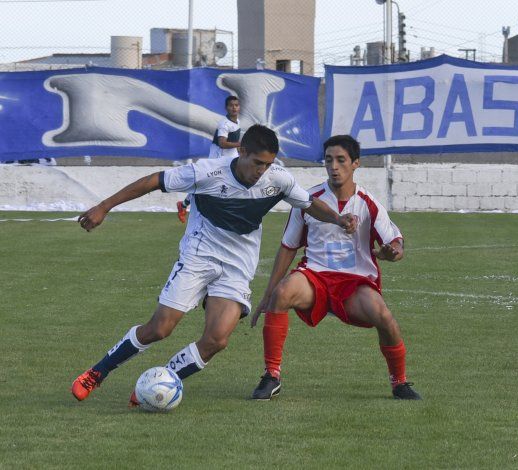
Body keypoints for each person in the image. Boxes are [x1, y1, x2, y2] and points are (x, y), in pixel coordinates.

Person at [71, 125, 357, 406]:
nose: (262, 171)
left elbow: (308, 203)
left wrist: (337, 218)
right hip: (199, 255)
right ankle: (97, 373)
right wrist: (104, 206)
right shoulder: (206, 172)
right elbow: (153, 181)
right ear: (241, 152)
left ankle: (161, 382)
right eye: (257, 163)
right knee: (159, 329)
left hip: (237, 265)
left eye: (267, 165)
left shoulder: (278, 180)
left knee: (217, 339)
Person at [250, 134, 421, 401]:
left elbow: (395, 243)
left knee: (385, 318)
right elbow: (288, 246)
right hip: (314, 278)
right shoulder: (309, 200)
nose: (334, 166)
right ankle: (271, 376)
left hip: (354, 284)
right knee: (281, 294)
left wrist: (392, 253)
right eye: (329, 160)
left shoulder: (368, 203)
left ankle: (399, 383)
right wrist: (267, 294)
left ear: (356, 164)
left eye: (341, 160)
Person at [177, 95, 241, 224]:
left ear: (239, 107)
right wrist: (240, 144)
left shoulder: (237, 122)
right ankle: (183, 204)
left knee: (238, 178)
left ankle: (232, 209)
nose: (234, 108)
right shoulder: (224, 124)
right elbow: (222, 143)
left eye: (236, 105)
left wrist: (240, 150)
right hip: (218, 157)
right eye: (231, 105)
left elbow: (234, 142)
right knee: (205, 182)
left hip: (231, 156)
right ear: (226, 108)